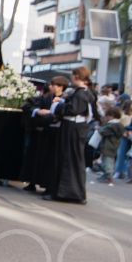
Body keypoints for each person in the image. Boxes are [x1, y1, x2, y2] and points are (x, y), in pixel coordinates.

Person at [47, 66, 97, 203]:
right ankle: (71, 193)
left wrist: (59, 106)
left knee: (67, 159)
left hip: (72, 128)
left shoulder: (81, 94)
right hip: (76, 128)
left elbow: (72, 110)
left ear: (76, 77)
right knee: (74, 160)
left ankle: (66, 193)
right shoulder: (86, 93)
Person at [95, 108, 126, 185]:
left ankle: (108, 176)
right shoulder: (120, 125)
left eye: (107, 116)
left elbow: (103, 131)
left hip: (108, 145)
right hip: (114, 145)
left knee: (107, 161)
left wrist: (99, 129)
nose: (106, 118)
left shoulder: (112, 125)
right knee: (109, 160)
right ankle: (106, 175)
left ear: (112, 116)